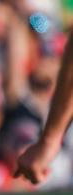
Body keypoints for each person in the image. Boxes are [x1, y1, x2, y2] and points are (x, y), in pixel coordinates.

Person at [15, 32, 73, 184]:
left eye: (54, 57)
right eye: (44, 55)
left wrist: (49, 140)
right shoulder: (22, 97)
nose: (46, 62)